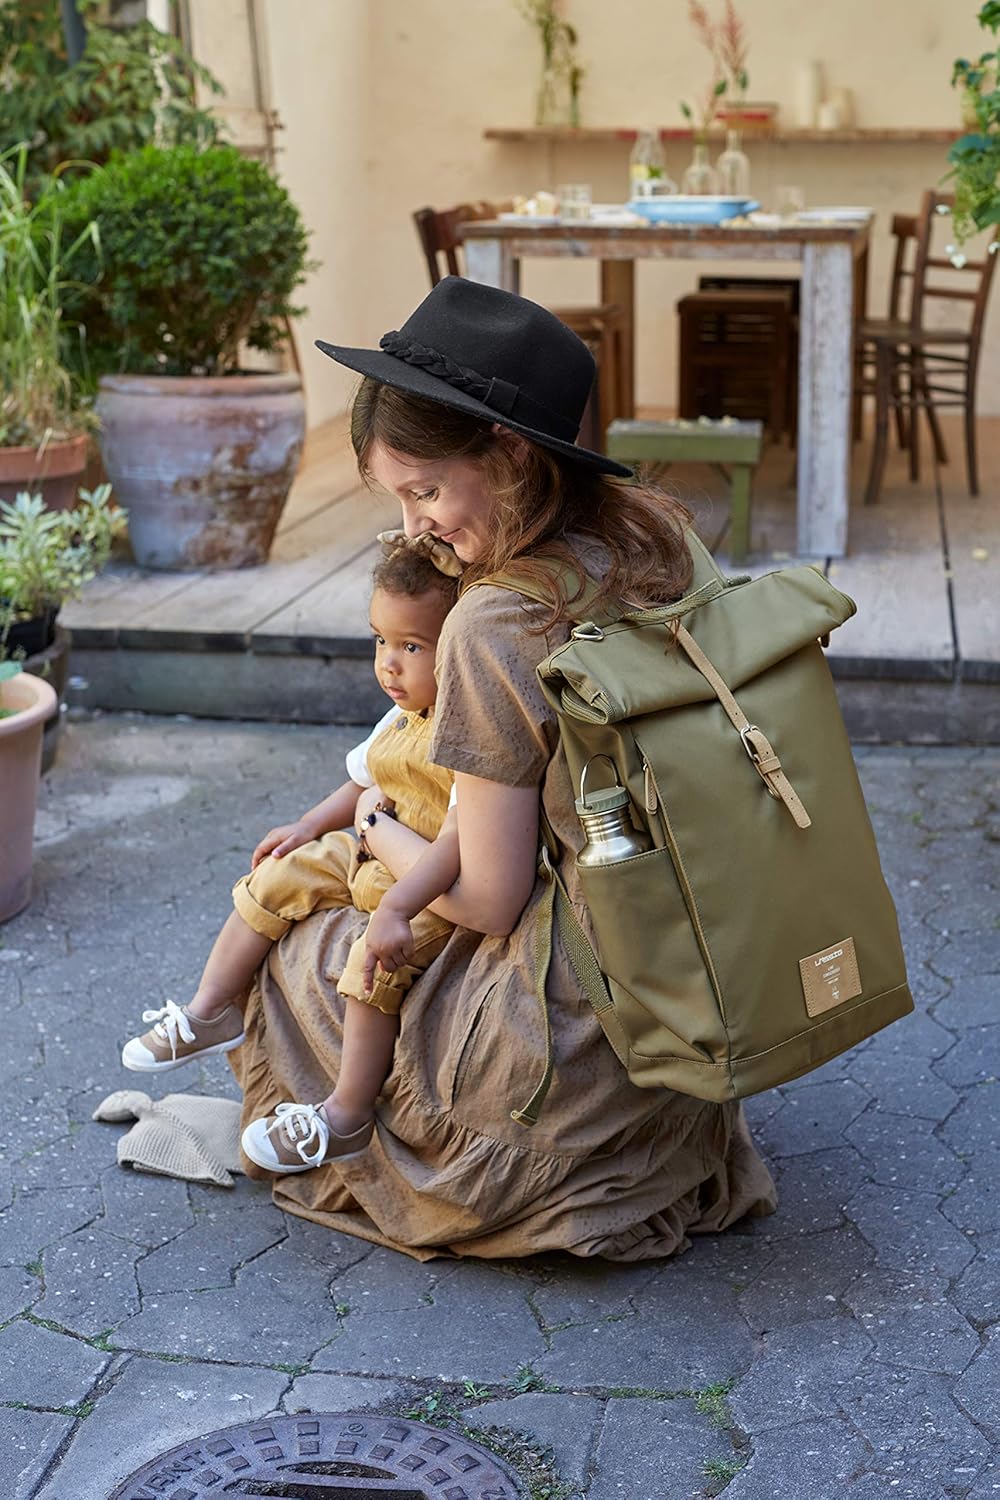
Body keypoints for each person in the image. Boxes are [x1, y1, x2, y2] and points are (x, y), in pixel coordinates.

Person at [229, 275, 777, 1256]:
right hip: (686, 983)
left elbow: (487, 899)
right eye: (399, 499)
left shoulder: (495, 619)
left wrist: (372, 828)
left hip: (569, 1038)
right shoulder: (657, 535)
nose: (413, 528)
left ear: (511, 454)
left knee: (303, 936)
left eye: (426, 491)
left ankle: (396, 1128)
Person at [121, 536, 464, 1170]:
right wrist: (307, 827)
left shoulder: (469, 732)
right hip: (367, 850)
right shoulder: (398, 718)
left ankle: (347, 1114)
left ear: (462, 649)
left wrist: (396, 908)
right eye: (380, 642)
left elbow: (459, 846)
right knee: (281, 874)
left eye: (412, 647)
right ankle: (210, 1011)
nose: (389, 665)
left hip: (426, 888)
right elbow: (362, 781)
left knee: (371, 968)